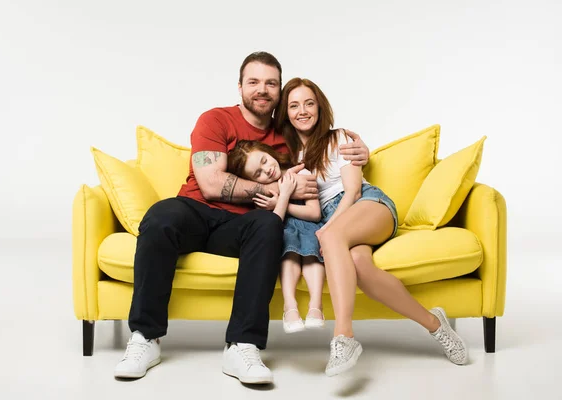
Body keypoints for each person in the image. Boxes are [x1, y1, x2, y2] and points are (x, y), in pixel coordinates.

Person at [113, 52, 370, 384]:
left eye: (271, 83)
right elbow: (210, 183)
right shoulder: (215, 120)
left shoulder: (289, 137)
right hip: (195, 211)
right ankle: (145, 338)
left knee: (268, 226)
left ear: (279, 90)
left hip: (244, 226)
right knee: (161, 216)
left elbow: (314, 166)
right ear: (240, 87)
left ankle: (243, 345)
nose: (262, 90)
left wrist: (359, 149)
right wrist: (278, 187)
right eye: (254, 82)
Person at [273, 77, 469, 377]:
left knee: (333, 236)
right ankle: (435, 324)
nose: (303, 111)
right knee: (360, 267)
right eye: (294, 105)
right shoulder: (286, 155)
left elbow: (351, 191)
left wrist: (329, 230)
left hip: (366, 204)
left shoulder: (340, 138)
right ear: (285, 112)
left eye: (309, 103)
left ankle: (344, 336)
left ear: (319, 106)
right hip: (334, 220)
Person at [227, 140, 326, 334]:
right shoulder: (261, 191)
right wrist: (285, 193)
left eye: (264, 161)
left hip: (309, 226)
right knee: (287, 251)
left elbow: (315, 213)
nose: (267, 170)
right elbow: (274, 223)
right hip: (283, 229)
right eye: (258, 173)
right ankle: (290, 307)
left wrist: (283, 200)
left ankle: (316, 306)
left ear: (268, 152)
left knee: (310, 252)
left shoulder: (301, 173)